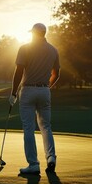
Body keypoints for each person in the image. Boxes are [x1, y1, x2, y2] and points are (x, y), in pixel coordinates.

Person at [9, 23, 60, 175]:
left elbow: (19, 71)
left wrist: (13, 93)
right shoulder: (53, 50)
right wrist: (46, 87)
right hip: (44, 90)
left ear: (34, 33)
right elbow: (56, 74)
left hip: (28, 90)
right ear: (44, 33)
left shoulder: (25, 48)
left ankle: (33, 164)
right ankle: (51, 157)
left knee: (28, 128)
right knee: (46, 126)